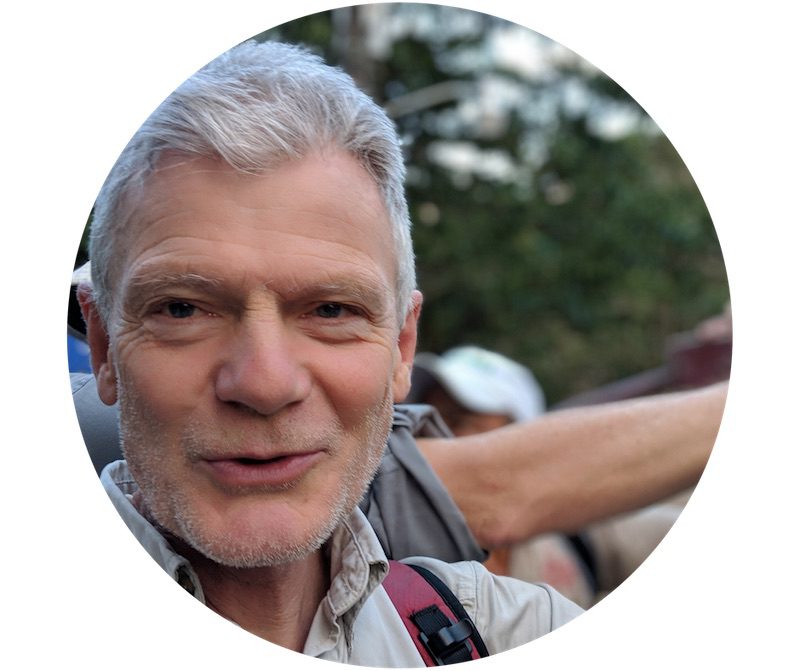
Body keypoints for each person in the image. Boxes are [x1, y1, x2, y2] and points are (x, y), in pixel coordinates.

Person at [78, 40, 583, 665]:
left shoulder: (515, 632)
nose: (265, 383)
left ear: (401, 348)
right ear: (102, 345)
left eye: (332, 311)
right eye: (182, 309)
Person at [409, 346, 688, 607]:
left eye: (461, 421)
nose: (434, 439)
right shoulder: (398, 551)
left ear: (529, 440)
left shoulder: (578, 533)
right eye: (425, 420)